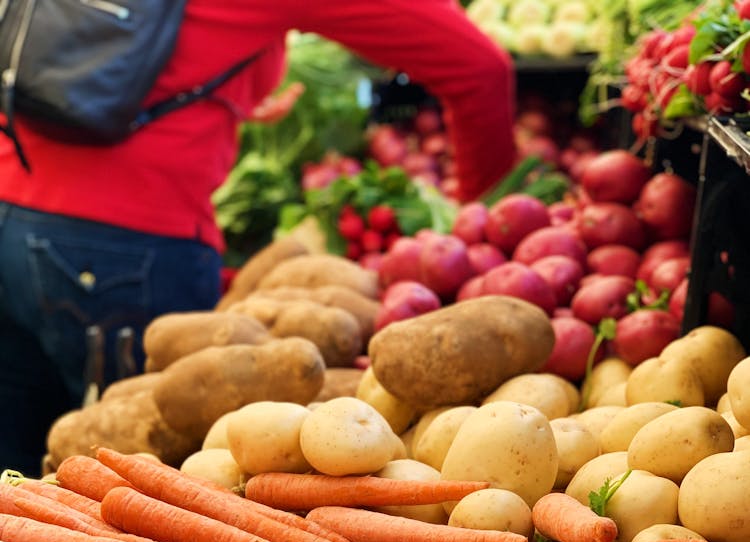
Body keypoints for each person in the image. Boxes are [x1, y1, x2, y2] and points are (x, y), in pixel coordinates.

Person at [0, 0, 516, 477]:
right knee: (135, 497)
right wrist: (484, 219)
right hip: (123, 243)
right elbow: (479, 68)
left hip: (11, 199)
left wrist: (231, 98)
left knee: (20, 490)